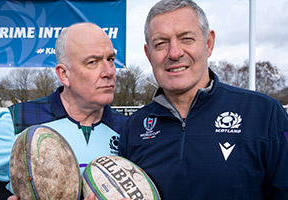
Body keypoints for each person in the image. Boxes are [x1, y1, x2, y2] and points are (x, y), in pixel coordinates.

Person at [119, 0, 288, 199]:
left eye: (186, 39)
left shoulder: (264, 114)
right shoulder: (134, 127)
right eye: (161, 43)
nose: (174, 53)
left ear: (208, 44)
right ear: (149, 54)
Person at [0, 22, 127, 200]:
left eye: (111, 59)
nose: (109, 71)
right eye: (93, 62)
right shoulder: (18, 120)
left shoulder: (128, 129)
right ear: (64, 74)